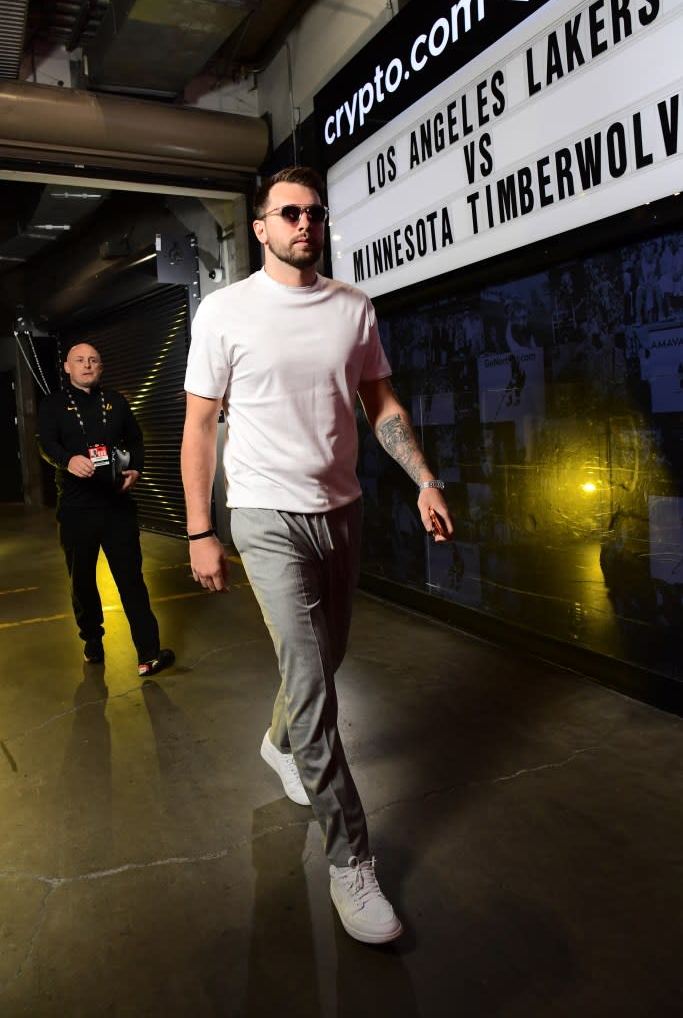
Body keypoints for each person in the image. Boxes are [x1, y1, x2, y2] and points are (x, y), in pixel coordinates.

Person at [181, 165, 453, 945]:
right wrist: (201, 529)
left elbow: (381, 404)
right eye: (288, 212)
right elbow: (200, 426)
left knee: (323, 661)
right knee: (313, 684)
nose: (305, 223)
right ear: (261, 227)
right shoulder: (225, 312)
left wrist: (423, 478)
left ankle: (278, 743)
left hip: (342, 514)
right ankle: (350, 862)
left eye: (314, 213)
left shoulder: (352, 308)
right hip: (264, 516)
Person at [37, 342, 174, 677]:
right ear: (67, 367)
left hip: (117, 508)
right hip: (75, 509)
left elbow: (137, 441)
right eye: (80, 360)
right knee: (82, 581)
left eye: (94, 360)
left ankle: (149, 652)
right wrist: (67, 460)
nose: (87, 365)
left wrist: (136, 470)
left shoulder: (115, 401)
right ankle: (92, 642)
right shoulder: (54, 404)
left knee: (131, 580)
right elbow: (45, 443)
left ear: (101, 367)